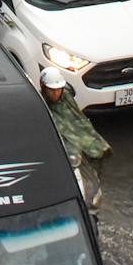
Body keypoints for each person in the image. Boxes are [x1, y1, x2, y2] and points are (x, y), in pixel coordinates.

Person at [41, 67, 110, 212]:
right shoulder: (41, 105)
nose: (56, 93)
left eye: (58, 89)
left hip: (79, 151)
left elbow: (79, 120)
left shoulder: (66, 99)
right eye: (52, 90)